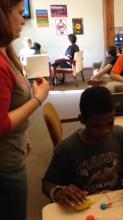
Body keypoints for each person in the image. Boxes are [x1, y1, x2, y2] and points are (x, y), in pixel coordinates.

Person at [42, 86, 123, 206]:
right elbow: (47, 183)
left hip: (117, 202)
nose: (105, 131)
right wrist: (57, 192)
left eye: (110, 123)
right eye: (96, 126)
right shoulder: (66, 148)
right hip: (84, 205)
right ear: (82, 120)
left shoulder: (121, 135)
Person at [0, 1, 49, 219]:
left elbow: (11, 105)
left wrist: (23, 134)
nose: (23, 20)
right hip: (6, 165)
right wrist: (38, 99)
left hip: (13, 150)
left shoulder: (6, 53)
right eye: (19, 13)